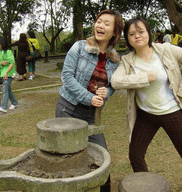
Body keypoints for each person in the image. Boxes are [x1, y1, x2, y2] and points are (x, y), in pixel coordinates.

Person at [111, 16, 182, 192]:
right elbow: (116, 81)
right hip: (146, 115)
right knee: (135, 155)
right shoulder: (128, 60)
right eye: (132, 33)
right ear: (127, 38)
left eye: (141, 31)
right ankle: (145, 187)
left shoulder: (165, 50)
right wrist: (143, 78)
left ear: (148, 33)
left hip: (172, 112)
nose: (137, 36)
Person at [55, 9, 124, 192]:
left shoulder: (115, 59)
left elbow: (113, 84)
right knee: (67, 157)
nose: (100, 26)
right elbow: (67, 77)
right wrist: (89, 97)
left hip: (92, 115)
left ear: (115, 32)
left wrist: (106, 93)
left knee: (103, 158)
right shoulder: (79, 47)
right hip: (67, 109)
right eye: (99, 21)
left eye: (106, 23)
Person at [0, 37, 18, 113]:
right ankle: (14, 103)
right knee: (8, 89)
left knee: (4, 88)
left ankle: (4, 107)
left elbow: (12, 63)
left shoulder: (8, 52)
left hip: (9, 74)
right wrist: (1, 63)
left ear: (1, 44)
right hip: (3, 73)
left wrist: (6, 73)